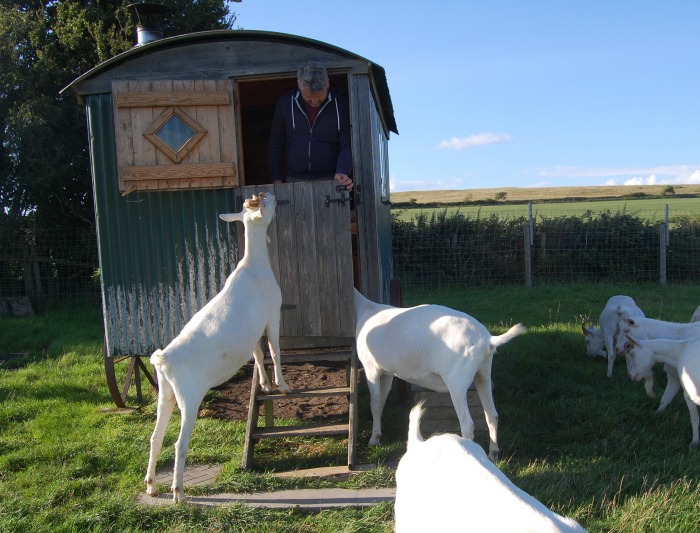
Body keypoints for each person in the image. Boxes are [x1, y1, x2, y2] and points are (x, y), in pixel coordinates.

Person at [268, 61, 353, 191]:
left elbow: (347, 142)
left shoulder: (340, 104)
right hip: (294, 180)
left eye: (320, 96)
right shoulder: (285, 104)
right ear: (299, 85)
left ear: (328, 84)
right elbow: (276, 142)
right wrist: (276, 178)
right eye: (308, 97)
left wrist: (342, 170)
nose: (314, 101)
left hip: (331, 178)